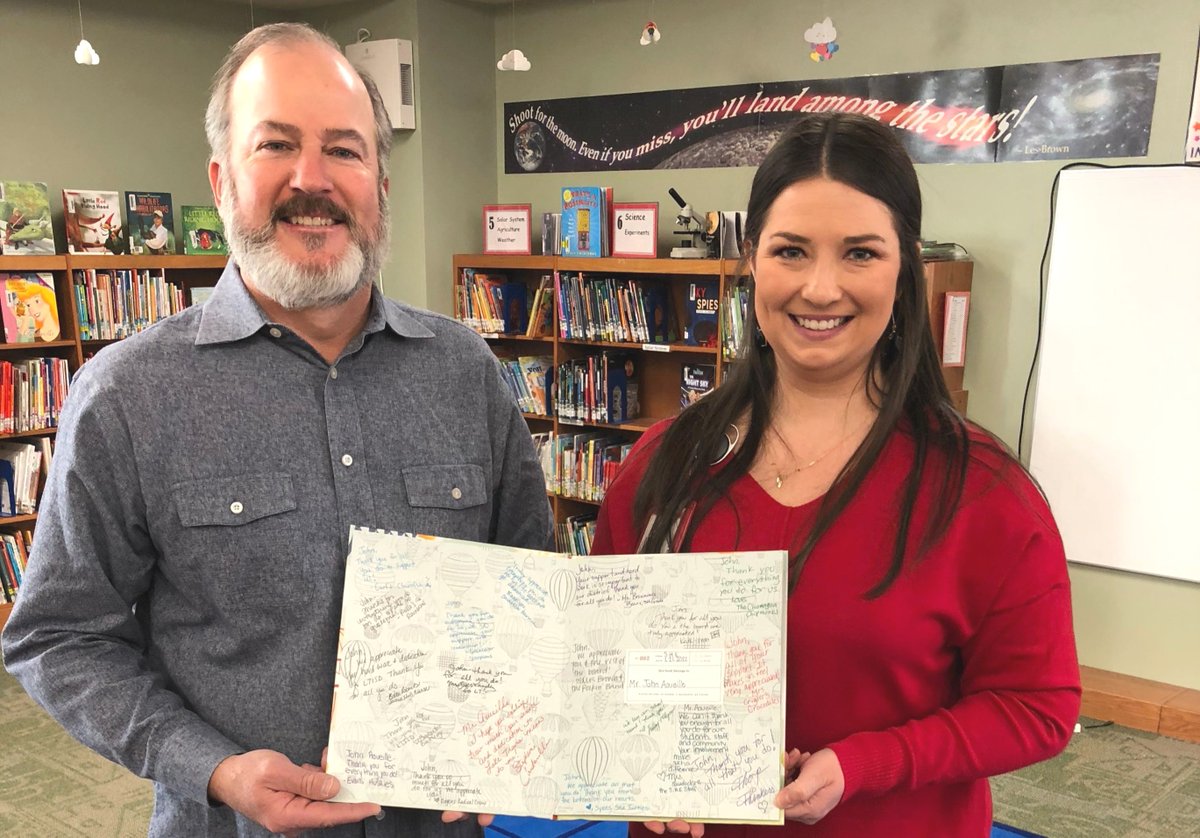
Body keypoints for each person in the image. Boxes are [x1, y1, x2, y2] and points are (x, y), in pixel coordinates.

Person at [2, 22, 552, 838]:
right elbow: (58, 635)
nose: (313, 179)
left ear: (381, 184)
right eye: (277, 146)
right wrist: (210, 767)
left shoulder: (464, 372)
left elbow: (533, 595)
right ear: (223, 180)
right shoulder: (126, 395)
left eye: (345, 150)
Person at [591, 113, 1080, 838]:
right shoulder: (664, 465)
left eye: (859, 253)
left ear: (904, 265)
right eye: (791, 251)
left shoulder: (983, 494)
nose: (821, 288)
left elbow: (1038, 707)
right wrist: (629, 766)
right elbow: (602, 664)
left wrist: (867, 764)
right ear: (753, 258)